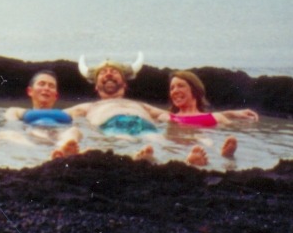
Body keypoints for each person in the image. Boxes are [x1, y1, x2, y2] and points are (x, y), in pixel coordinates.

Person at [65, 59, 210, 166]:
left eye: (114, 72)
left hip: (145, 126)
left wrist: (207, 120)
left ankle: (187, 164)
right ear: (96, 86)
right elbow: (60, 115)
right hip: (113, 124)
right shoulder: (89, 106)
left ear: (124, 83)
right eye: (103, 73)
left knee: (162, 142)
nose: (109, 74)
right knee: (122, 139)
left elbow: (170, 117)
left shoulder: (142, 105)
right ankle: (136, 160)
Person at [148, 70, 258, 159]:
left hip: (203, 143)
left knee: (205, 140)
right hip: (175, 148)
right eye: (172, 88)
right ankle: (196, 159)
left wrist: (235, 115)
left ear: (195, 90)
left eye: (181, 86)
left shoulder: (216, 117)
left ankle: (224, 155)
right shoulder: (167, 117)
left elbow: (234, 129)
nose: (175, 91)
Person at [3, 70, 83, 158]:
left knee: (74, 131)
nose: (46, 88)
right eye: (42, 84)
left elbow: (81, 118)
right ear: (30, 91)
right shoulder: (18, 111)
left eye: (51, 86)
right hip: (32, 134)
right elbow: (12, 124)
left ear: (56, 95)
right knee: (9, 133)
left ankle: (64, 150)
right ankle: (41, 154)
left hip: (59, 133)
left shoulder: (67, 112)